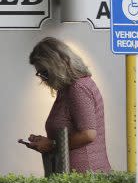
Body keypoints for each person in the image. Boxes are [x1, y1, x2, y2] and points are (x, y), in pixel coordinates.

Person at [19, 37, 111, 173]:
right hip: (77, 175)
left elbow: (88, 134)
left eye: (45, 72)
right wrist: (46, 142)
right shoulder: (67, 89)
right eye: (40, 74)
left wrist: (51, 144)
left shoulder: (78, 88)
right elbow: (69, 132)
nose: (43, 79)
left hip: (85, 176)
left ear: (58, 65)